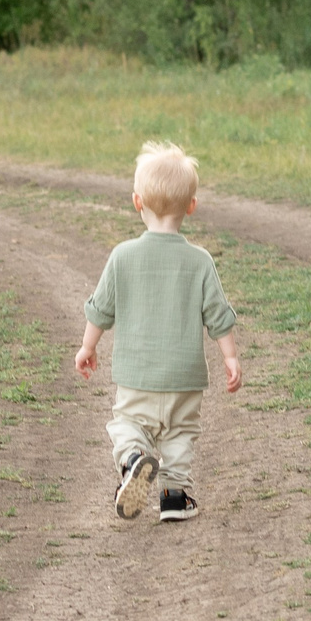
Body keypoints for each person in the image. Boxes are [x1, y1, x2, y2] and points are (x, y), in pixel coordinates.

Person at [73, 142, 243, 523]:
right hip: (185, 377)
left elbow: (100, 308)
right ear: (192, 205)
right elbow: (218, 314)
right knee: (180, 434)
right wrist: (230, 357)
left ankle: (134, 457)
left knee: (128, 424)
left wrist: (88, 346)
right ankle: (173, 496)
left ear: (137, 202)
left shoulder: (122, 256)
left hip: (137, 375)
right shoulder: (200, 261)